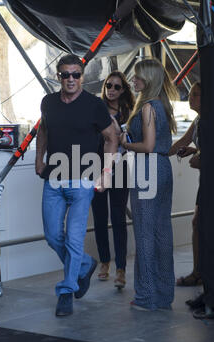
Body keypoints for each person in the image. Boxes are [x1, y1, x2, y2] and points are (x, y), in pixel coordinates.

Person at [35, 54, 118, 316]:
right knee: (52, 236)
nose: (70, 79)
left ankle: (67, 290)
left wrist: (105, 173)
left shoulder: (94, 105)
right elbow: (44, 130)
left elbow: (111, 138)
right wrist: (39, 158)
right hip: (53, 178)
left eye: (75, 74)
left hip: (83, 179)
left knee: (73, 237)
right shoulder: (48, 102)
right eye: (65, 75)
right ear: (58, 76)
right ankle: (85, 264)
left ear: (82, 76)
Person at [120, 58, 178, 311]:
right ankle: (164, 295)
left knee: (144, 232)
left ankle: (145, 297)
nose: (134, 80)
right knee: (162, 231)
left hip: (148, 167)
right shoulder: (163, 106)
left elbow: (147, 146)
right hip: (163, 168)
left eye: (138, 77)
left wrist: (125, 143)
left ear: (149, 80)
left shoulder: (147, 108)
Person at [91, 71, 135, 289]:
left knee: (118, 218)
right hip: (96, 166)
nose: (112, 90)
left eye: (117, 87)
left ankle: (121, 269)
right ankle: (104, 263)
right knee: (99, 218)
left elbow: (132, 141)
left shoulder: (129, 113)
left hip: (121, 168)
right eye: (109, 85)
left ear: (123, 90)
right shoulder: (96, 109)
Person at [168, 82, 202, 287]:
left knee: (199, 224)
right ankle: (199, 272)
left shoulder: (212, 120)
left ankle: (200, 273)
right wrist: (160, 153)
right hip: (205, 181)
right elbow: (184, 141)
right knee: (198, 224)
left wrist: (197, 154)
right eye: (190, 94)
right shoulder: (199, 120)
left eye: (196, 94)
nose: (191, 98)